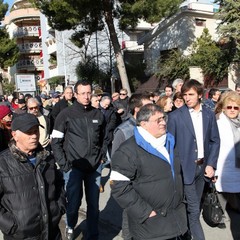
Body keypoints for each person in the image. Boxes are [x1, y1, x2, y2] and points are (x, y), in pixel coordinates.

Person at [110, 104, 188, 240]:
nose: (163, 122)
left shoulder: (170, 142)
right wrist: (145, 212)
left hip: (175, 221)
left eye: (163, 118)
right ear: (144, 124)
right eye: (158, 120)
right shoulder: (128, 150)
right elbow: (118, 187)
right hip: (150, 226)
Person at [51, 80, 107, 240]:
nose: (86, 96)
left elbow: (103, 138)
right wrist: (64, 165)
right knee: (74, 203)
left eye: (89, 92)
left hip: (94, 168)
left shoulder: (98, 114)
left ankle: (93, 234)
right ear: (75, 95)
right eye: (82, 93)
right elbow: (56, 141)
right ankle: (70, 226)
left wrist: (101, 156)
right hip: (73, 168)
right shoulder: (65, 115)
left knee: (94, 205)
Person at [167, 79, 220, 240]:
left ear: (200, 95)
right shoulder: (176, 116)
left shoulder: (209, 115)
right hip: (185, 169)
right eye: (185, 95)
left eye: (191, 94)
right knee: (194, 209)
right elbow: (170, 146)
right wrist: (176, 170)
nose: (187, 98)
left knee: (193, 208)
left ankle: (185, 234)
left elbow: (215, 140)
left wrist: (211, 164)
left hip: (202, 168)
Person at [0, 113, 66, 239]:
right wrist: (10, 225)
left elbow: (58, 183)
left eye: (36, 131)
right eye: (29, 132)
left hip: (51, 231)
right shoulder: (3, 163)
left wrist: (59, 207)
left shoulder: (47, 157)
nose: (34, 136)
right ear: (15, 135)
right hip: (20, 235)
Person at [111, 93, 152, 240]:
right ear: (137, 109)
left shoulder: (153, 127)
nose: (152, 108)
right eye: (148, 106)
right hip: (132, 187)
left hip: (150, 185)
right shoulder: (123, 131)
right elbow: (116, 164)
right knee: (130, 225)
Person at [214, 91, 240, 239]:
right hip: (226, 173)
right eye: (229, 106)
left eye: (236, 107)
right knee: (234, 211)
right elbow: (213, 148)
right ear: (223, 108)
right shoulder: (218, 124)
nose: (232, 110)